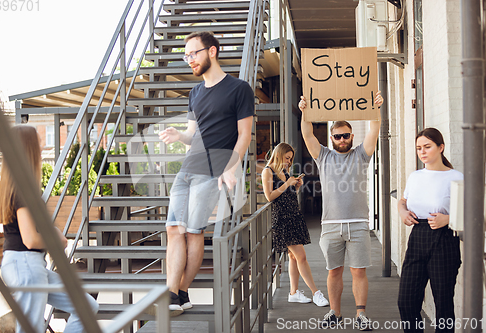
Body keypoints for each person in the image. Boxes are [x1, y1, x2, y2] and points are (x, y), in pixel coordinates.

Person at [158, 31, 254, 316]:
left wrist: (230, 168)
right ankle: (176, 294)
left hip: (212, 171)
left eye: (194, 53)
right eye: (186, 56)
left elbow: (244, 135)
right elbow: (193, 134)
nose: (190, 60)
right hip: (187, 169)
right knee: (173, 229)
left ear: (212, 51)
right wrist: (180, 136)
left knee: (193, 231)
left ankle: (175, 294)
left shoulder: (239, 89)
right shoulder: (195, 93)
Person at [0, 125, 99, 333]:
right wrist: (56, 240)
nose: (43, 146)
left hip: (29, 264)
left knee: (87, 307)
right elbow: (30, 239)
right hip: (24, 263)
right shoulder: (22, 188)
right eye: (39, 142)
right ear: (29, 148)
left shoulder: (21, 186)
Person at [298, 92, 384, 331]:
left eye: (346, 135)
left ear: (351, 136)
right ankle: (334, 312)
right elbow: (307, 134)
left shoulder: (361, 155)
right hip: (331, 225)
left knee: (358, 271)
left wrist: (375, 109)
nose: (342, 139)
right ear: (332, 137)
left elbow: (373, 132)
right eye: (338, 136)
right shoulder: (323, 156)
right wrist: (304, 111)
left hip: (357, 223)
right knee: (334, 271)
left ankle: (361, 314)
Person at [397, 128, 463, 333]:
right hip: (418, 236)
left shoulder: (456, 176)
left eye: (427, 147)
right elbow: (403, 201)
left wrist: (448, 219)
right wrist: (402, 212)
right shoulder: (415, 176)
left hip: (445, 239)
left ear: (441, 147)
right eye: (419, 148)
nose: (422, 152)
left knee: (443, 303)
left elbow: (471, 210)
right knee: (406, 300)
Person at [262, 143, 329, 307]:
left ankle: (294, 292)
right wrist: (287, 184)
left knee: (293, 256)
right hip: (283, 220)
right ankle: (316, 293)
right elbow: (269, 196)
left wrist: (296, 187)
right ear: (278, 155)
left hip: (294, 216)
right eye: (287, 158)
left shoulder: (284, 172)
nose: (288, 162)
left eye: (290, 159)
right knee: (301, 256)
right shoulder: (267, 171)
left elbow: (287, 196)